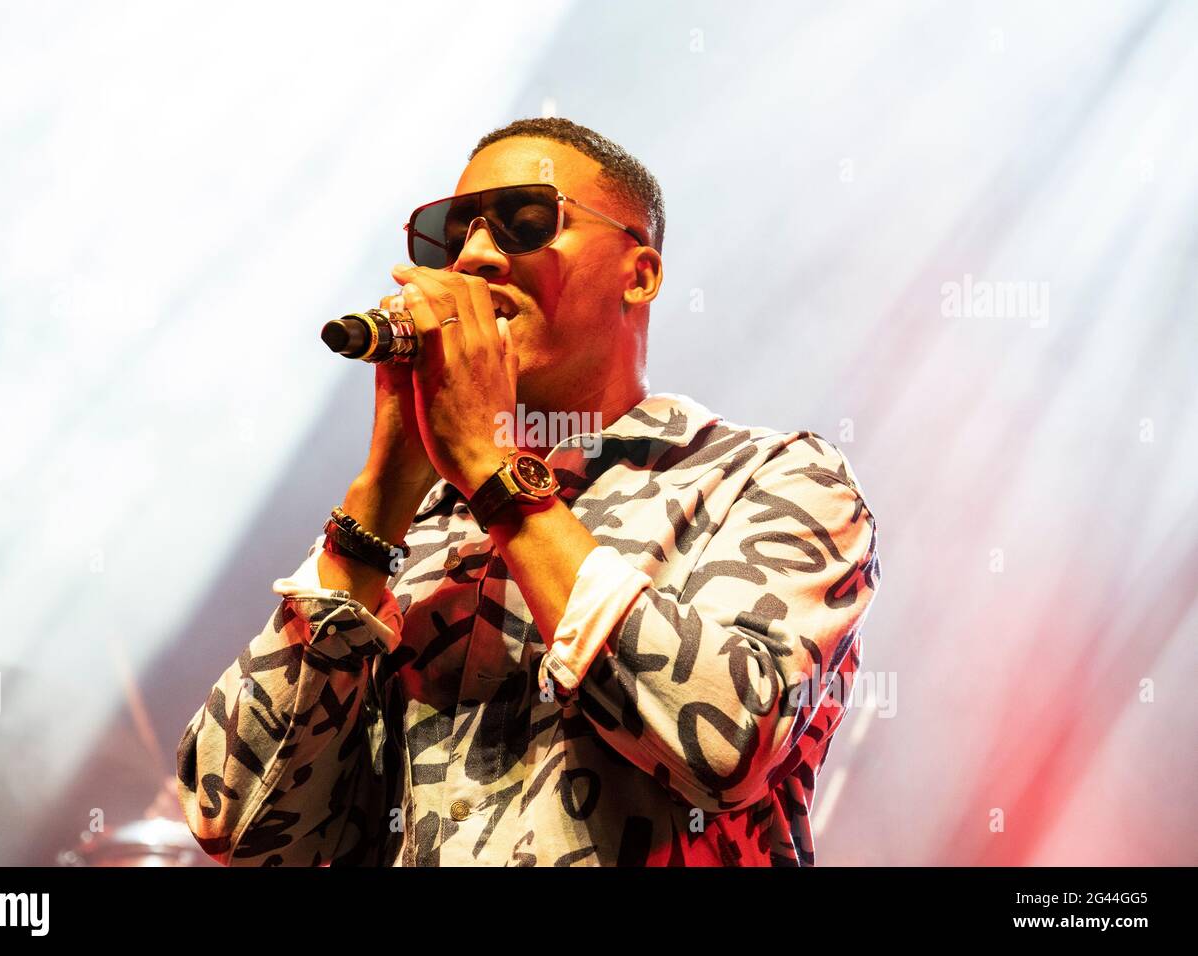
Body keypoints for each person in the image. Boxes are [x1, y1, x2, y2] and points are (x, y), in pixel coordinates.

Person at [176, 117, 881, 866]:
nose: (475, 256)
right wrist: (381, 497)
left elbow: (730, 740)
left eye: (523, 223)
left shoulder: (769, 479)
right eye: (454, 235)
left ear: (637, 273)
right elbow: (237, 825)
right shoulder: (407, 535)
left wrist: (492, 469)